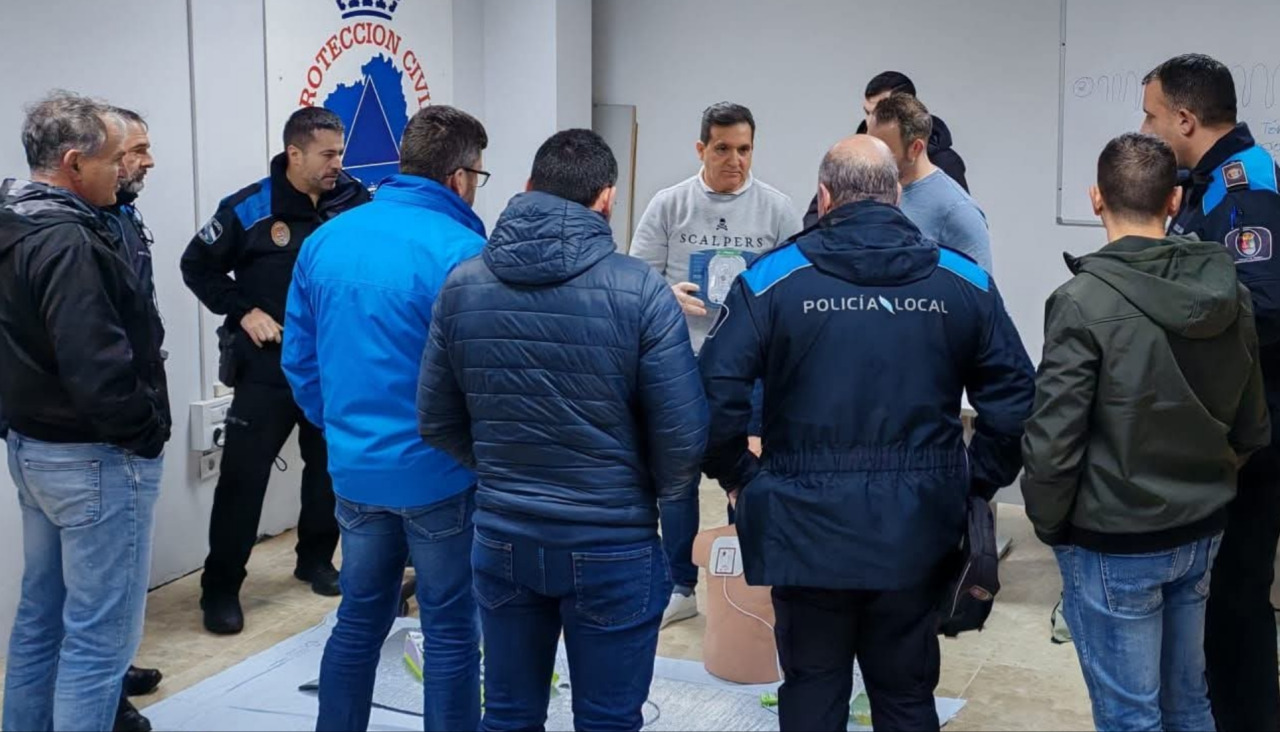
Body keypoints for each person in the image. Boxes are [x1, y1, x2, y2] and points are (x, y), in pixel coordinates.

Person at [699, 134, 1034, 732]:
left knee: (812, 690)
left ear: (824, 197)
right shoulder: (964, 282)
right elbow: (1014, 402)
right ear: (897, 195)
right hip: (918, 529)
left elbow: (712, 396)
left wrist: (744, 478)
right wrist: (969, 480)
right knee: (906, 696)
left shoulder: (770, 280)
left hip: (802, 526)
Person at [418, 128, 708, 731]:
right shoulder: (642, 293)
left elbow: (437, 421)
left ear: (526, 188)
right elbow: (681, 445)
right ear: (607, 199)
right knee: (607, 719)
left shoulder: (464, 285)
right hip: (613, 540)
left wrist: (506, 469)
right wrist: (634, 494)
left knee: (507, 715)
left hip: (502, 536)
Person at [1024, 130, 1270, 731]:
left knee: (1130, 715)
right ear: (1173, 204)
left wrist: (1051, 523)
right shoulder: (1229, 291)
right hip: (1202, 529)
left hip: (1115, 537)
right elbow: (1252, 423)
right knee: (1189, 702)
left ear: (1094, 199)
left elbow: (1053, 442)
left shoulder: (1079, 303)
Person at [282, 105, 488, 732]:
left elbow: (301, 362)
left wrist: (343, 432)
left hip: (355, 472)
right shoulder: (464, 251)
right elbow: (481, 379)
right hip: (440, 478)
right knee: (452, 630)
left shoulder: (325, 240)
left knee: (359, 619)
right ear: (459, 176)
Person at [0, 92, 170, 732]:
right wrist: (145, 433)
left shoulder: (14, 221)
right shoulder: (70, 239)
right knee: (99, 645)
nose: (125, 170)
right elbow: (96, 366)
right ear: (74, 163)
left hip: (35, 450)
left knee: (40, 621)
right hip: (94, 460)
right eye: (113, 159)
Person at [181, 107, 370, 635]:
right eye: (328, 154)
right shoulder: (250, 207)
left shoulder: (353, 201)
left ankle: (314, 559)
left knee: (328, 470)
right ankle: (220, 589)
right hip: (267, 368)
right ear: (295, 154)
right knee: (243, 479)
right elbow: (196, 265)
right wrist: (244, 310)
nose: (338, 164)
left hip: (333, 364)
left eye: (341, 153)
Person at [1139, 52, 1280, 731]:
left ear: (1186, 119)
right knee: (1219, 600)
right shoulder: (1203, 186)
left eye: (1152, 115)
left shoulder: (1242, 185)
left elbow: (1263, 306)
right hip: (1222, 430)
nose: (1147, 127)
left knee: (1238, 602)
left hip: (1254, 431)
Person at [630, 101, 801, 628]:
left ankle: (747, 583)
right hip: (680, 362)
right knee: (676, 480)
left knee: (745, 476)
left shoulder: (777, 209)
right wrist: (665, 293)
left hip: (750, 372)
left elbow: (796, 288)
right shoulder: (669, 204)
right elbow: (635, 279)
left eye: (745, 149)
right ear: (701, 148)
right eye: (723, 148)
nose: (735, 160)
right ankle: (680, 584)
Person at [101, 106, 167, 732]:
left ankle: (115, 670)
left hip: (131, 412)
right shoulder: (80, 228)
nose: (149, 161)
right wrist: (142, 419)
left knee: (118, 578)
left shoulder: (121, 213)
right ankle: (105, 703)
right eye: (139, 149)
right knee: (102, 583)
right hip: (109, 434)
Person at [804, 71, 970, 227]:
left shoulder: (946, 165)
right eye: (867, 112)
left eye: (880, 112)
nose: (871, 121)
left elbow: (962, 226)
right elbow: (815, 215)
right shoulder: (855, 155)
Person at [867, 93, 993, 272]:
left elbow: (978, 293)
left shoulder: (958, 211)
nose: (871, 157)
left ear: (915, 149)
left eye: (883, 150)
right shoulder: (868, 190)